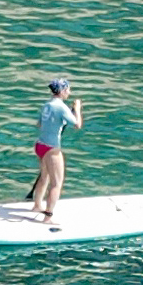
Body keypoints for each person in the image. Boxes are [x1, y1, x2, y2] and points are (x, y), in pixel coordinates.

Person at [30, 77, 83, 222]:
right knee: (56, 184)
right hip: (51, 149)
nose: (69, 93)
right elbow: (77, 124)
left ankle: (37, 205)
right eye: (68, 90)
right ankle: (48, 217)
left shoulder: (47, 105)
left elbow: (39, 125)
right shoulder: (61, 107)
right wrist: (77, 109)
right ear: (62, 91)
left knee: (44, 176)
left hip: (40, 145)